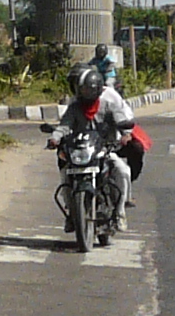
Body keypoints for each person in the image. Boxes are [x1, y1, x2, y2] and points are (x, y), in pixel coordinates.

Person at [51, 65, 138, 221]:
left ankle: (120, 213)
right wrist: (55, 137)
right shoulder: (75, 107)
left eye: (89, 90)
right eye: (83, 89)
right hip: (81, 150)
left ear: (98, 89)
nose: (86, 93)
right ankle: (71, 213)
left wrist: (126, 133)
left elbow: (121, 119)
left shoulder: (108, 103)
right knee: (65, 173)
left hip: (103, 149)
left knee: (123, 171)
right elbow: (65, 125)